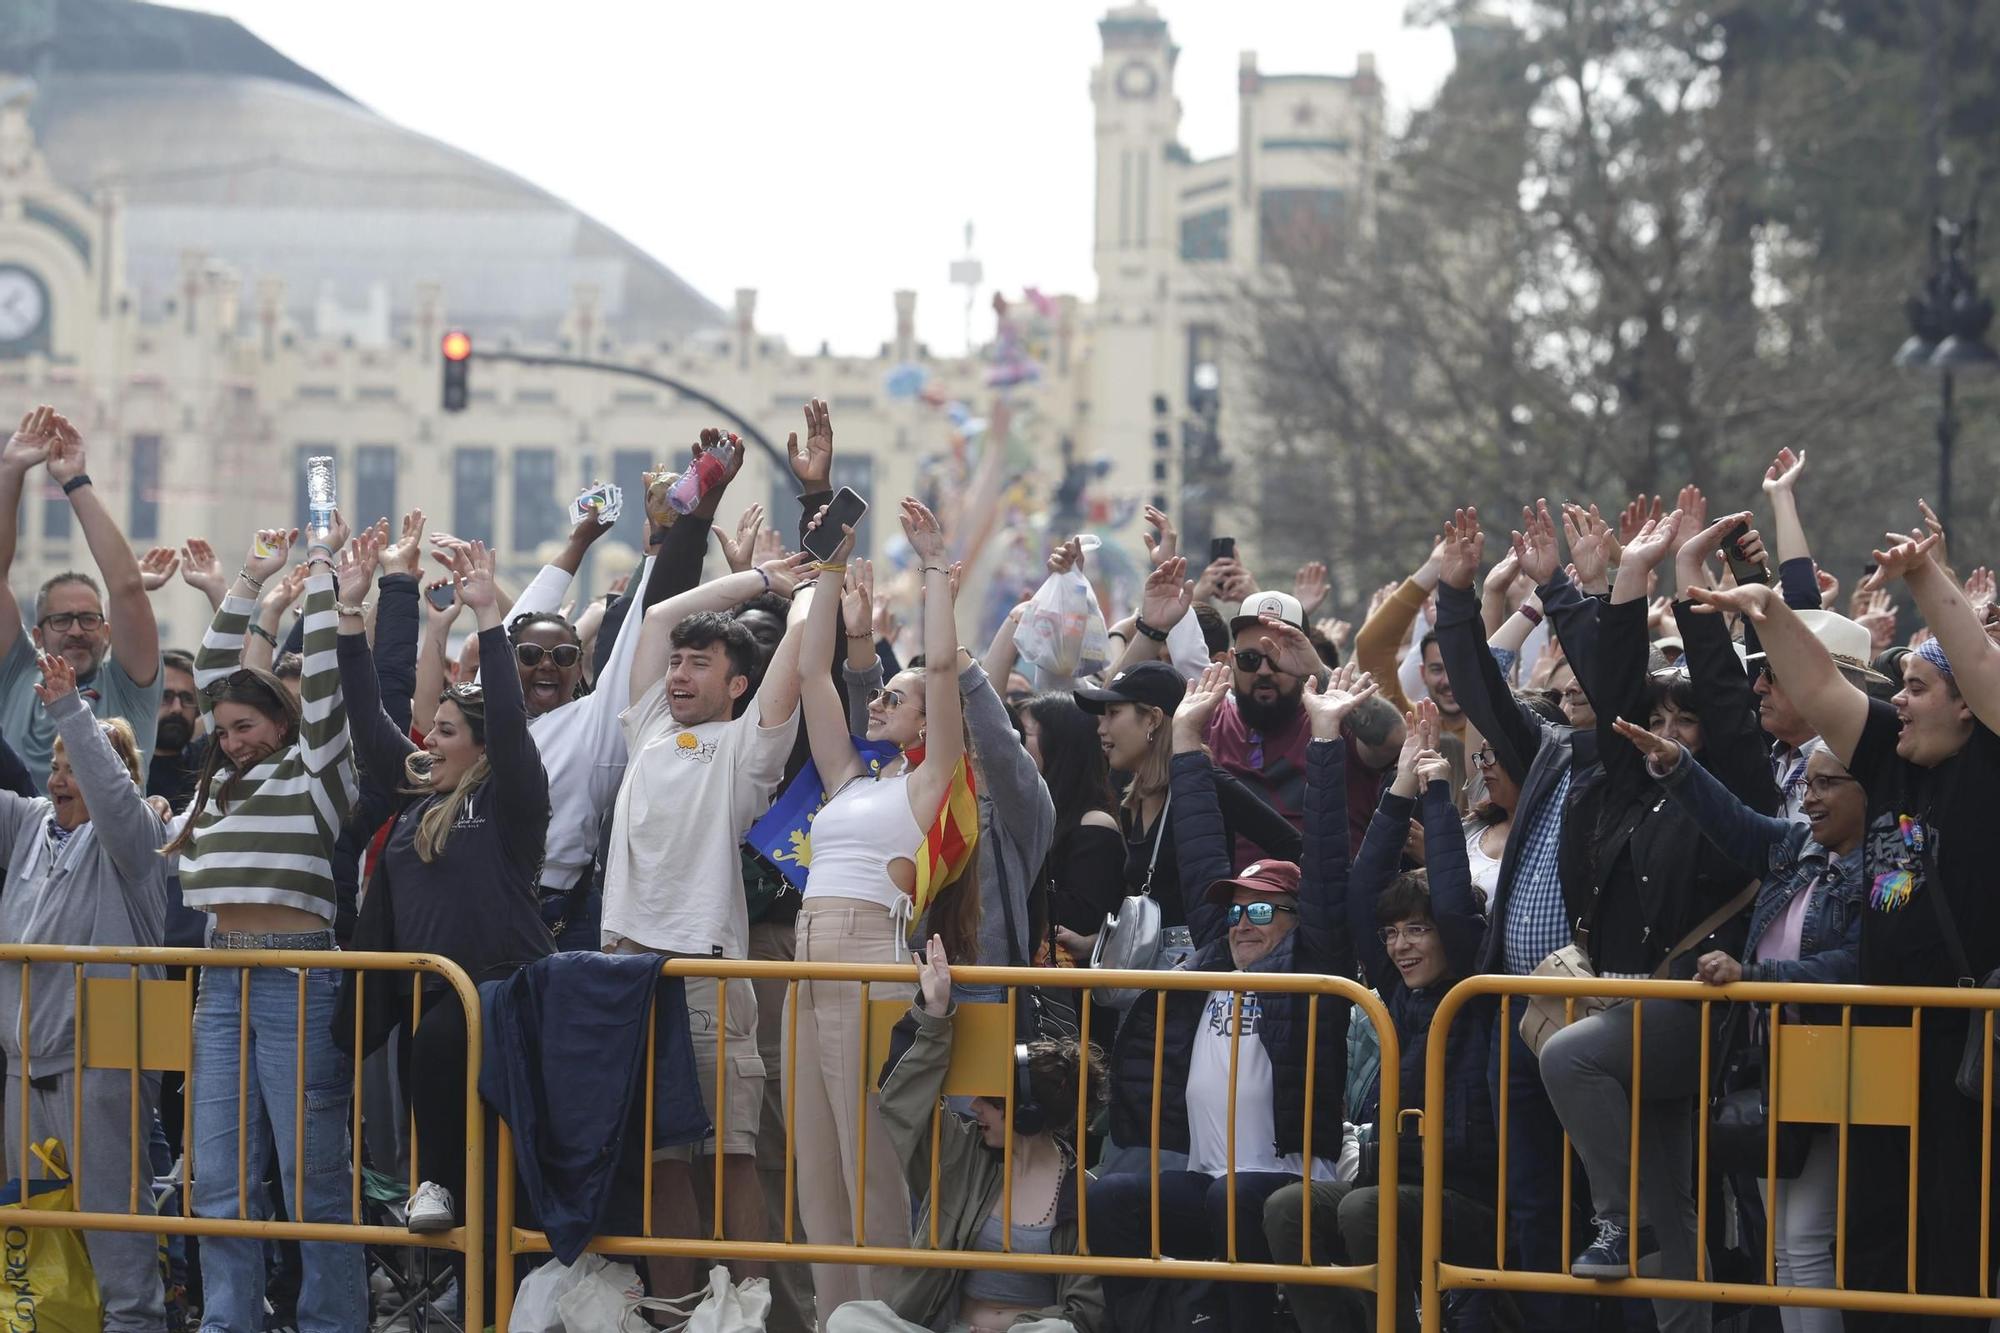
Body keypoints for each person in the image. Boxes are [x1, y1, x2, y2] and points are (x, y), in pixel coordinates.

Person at [1688, 508, 2000, 1332]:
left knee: (1956, 1258)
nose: (1898, 700)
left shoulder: (1991, 762)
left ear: (1965, 709)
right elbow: (1825, 692)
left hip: (1967, 1055)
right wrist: (1770, 613)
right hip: (1881, 1041)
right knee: (1868, 1253)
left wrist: (1927, 578)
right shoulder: (1898, 760)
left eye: (1917, 689)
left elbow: (1975, 662)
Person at [1536, 506, 1773, 1333]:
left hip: (1706, 1006)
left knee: (1570, 1058)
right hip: (1640, 1010)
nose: (1669, 733)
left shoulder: (1739, 784)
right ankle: (1682, 1316)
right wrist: (1626, 581)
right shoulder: (1636, 781)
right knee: (1672, 1199)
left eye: (1687, 720)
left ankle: (1615, 1216)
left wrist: (1692, 593)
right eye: (1660, 721)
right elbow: (1614, 700)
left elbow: (1731, 710)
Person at [1087, 662, 1367, 1333]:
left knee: (1232, 1199)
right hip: (1209, 1176)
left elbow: (1327, 865)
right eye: (1237, 912)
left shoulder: (1313, 966)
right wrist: (1186, 736)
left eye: (1264, 913)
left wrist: (1326, 738)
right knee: (1114, 1198)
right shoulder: (1218, 955)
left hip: (1283, 1180)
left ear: (1297, 920)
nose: (1245, 924)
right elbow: (1202, 843)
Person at [599, 546, 814, 1298]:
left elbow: (789, 674)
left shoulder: (744, 749)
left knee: (731, 1159)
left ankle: (750, 1311)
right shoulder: (651, 728)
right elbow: (655, 615)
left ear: (737, 684)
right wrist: (762, 577)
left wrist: (808, 592)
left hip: (708, 976)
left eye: (700, 664)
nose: (680, 674)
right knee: (661, 1159)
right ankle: (673, 1310)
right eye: (678, 663)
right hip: (625, 973)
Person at [168, 518, 366, 1330]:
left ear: (283, 725)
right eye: (224, 732)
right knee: (218, 1177)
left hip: (299, 975)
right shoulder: (216, 786)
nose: (232, 740)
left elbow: (323, 682)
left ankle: (330, 1322)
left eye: (247, 727)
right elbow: (219, 676)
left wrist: (321, 576)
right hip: (221, 984)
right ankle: (228, 1321)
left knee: (313, 1174)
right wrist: (249, 583)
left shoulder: (316, 772)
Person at [788, 495, 981, 1324]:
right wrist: (828, 566)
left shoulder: (929, 784)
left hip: (871, 953)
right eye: (880, 696)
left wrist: (936, 570)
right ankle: (840, 1319)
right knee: (816, 1168)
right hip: (806, 960)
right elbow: (807, 673)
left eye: (891, 698)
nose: (878, 703)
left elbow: (941, 674)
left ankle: (889, 1316)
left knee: (870, 1161)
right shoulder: (850, 781)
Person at [1614, 719, 1865, 1333]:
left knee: (1805, 1241)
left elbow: (1858, 963)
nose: (1809, 795)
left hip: (1838, 1063)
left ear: (1871, 789)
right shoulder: (1796, 847)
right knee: (1780, 1248)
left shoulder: (1885, 870)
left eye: (1828, 783)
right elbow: (1730, 820)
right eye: (1806, 781)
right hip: (1770, 1062)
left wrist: (1754, 973)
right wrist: (1677, 764)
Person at [335, 534, 551, 1235]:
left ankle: (443, 1188)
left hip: (500, 989)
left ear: (481, 746)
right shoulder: (418, 793)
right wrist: (347, 613)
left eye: (447, 731)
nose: (429, 740)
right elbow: (370, 724)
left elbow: (514, 724)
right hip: (427, 989)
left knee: (444, 1056)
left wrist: (488, 617)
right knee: (429, 1051)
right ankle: (452, 1223)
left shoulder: (509, 795)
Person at [1265, 701, 1497, 1333]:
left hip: (1475, 1198)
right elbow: (1364, 889)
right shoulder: (1394, 987)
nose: (1402, 946)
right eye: (1394, 936)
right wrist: (1398, 788)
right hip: (1391, 1182)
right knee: (1290, 1209)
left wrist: (1439, 793)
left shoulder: (1474, 988)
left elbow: (1452, 898)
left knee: (1365, 1211)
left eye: (1417, 932)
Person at [1430, 506, 1604, 1333]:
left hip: (1599, 1013)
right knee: (1529, 1197)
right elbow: (1479, 692)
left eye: (1583, 683)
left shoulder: (1639, 762)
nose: (1568, 694)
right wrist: (1458, 596)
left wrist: (1567, 588)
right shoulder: (1551, 752)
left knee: (1600, 1203)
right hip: (1516, 1005)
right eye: (1561, 685)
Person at [0, 650, 171, 1332]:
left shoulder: (136, 838)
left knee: (114, 1225)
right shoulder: (27, 826)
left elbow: (112, 793)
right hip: (21, 1067)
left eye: (78, 767)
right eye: (58, 765)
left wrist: (71, 710)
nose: (61, 778)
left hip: (103, 1056)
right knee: (28, 1228)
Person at [825, 935, 1106, 1333]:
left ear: (1026, 1114)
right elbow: (905, 1102)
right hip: (948, 1326)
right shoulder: (964, 1154)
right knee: (848, 1319)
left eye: (990, 1102)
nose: (974, 1108)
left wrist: (1011, 1326)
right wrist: (935, 1013)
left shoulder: (1082, 1194)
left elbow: (1084, 1312)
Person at [1074, 660, 1300, 938]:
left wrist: (1249, 909)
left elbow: (1291, 846)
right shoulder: (1126, 792)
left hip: (1200, 970)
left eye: (1113, 713)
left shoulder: (1207, 784)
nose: (1101, 728)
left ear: (1153, 719)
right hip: (1147, 972)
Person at [0, 405, 163, 789]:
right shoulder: (18, 675)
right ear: (37, 637)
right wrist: (11, 471)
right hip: (20, 849)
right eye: (61, 620)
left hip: (106, 849)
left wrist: (75, 480)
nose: (76, 630)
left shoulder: (129, 688)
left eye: (88, 619)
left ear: (107, 633)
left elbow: (125, 587)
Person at [1014, 692, 1124, 948]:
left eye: (1025, 733)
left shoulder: (1094, 824)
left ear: (1059, 743)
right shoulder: (1034, 814)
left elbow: (1084, 915)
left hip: (1064, 978)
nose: (1014, 743)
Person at [149, 647, 206, 808]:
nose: (177, 708)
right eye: (166, 697)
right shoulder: (122, 767)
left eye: (187, 698)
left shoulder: (209, 765)